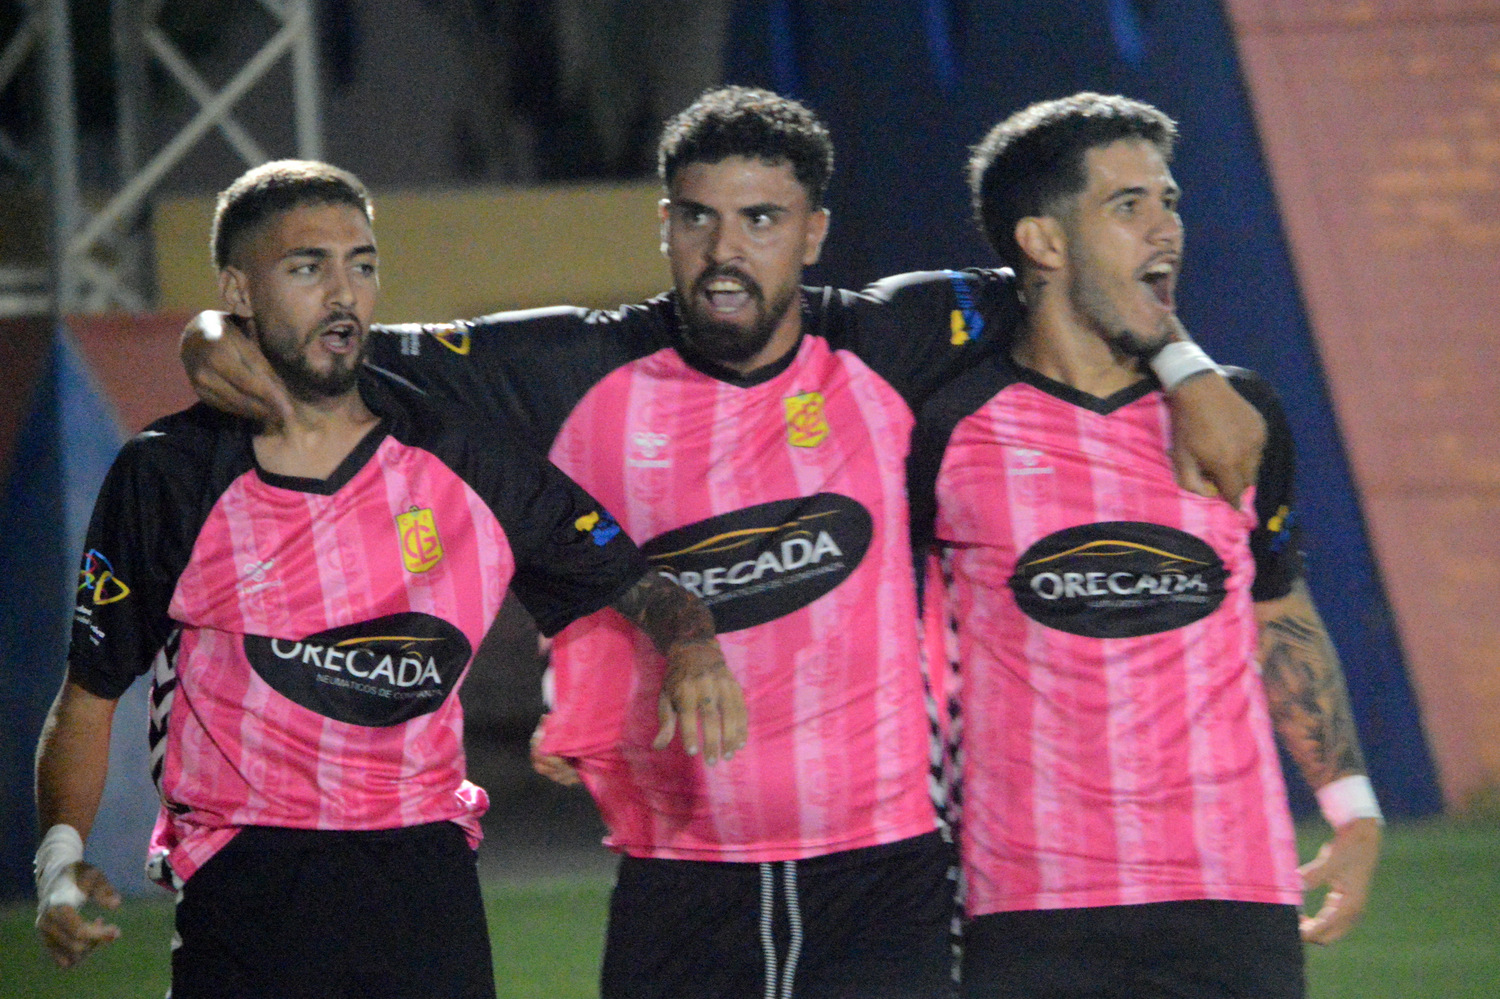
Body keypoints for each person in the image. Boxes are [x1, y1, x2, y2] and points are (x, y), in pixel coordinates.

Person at [179, 89, 1264, 999]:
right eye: (699, 219)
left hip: (883, 877)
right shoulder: (573, 368)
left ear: (814, 233)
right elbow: (348, 348)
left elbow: (1084, 277)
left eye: (760, 219)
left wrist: (1187, 364)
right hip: (678, 879)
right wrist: (214, 328)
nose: (725, 250)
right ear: (664, 225)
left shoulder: (892, 339)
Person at [32, 160, 746, 999]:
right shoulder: (171, 475)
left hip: (425, 883)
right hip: (247, 882)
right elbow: (89, 693)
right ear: (239, 289)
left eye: (362, 265)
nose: (344, 292)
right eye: (308, 267)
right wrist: (60, 858)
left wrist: (692, 640)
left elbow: (628, 579)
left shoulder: (465, 454)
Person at [907, 93, 1383, 998]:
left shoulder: (1236, 417)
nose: (1167, 227)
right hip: (1026, 901)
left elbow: (1277, 609)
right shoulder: (945, 426)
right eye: (1128, 205)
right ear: (1043, 242)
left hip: (1233, 892)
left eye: (1170, 201)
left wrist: (1351, 805)